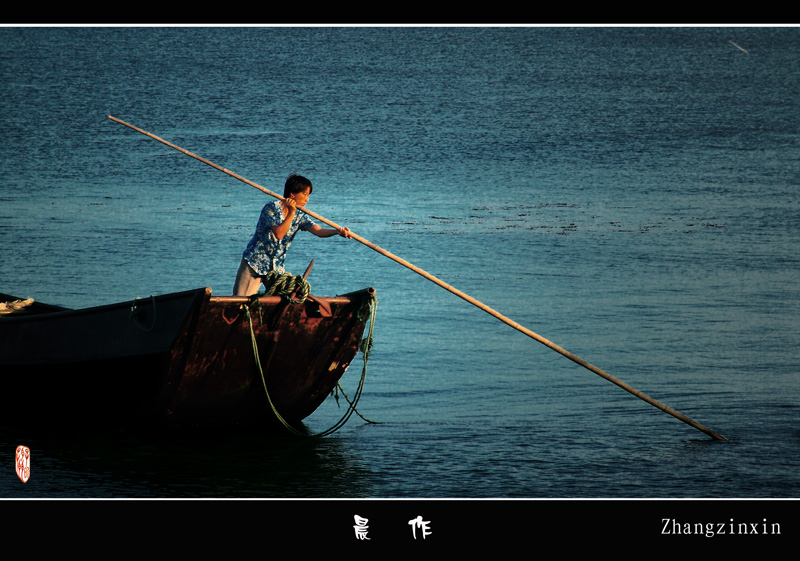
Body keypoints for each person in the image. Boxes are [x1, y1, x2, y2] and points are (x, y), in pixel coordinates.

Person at [233, 174, 351, 296]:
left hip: (276, 268)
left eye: (308, 195)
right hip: (255, 264)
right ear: (292, 194)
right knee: (241, 301)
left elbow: (318, 231)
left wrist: (337, 231)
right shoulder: (271, 208)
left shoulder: (300, 215)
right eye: (304, 194)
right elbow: (279, 234)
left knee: (283, 301)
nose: (307, 199)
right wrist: (291, 212)